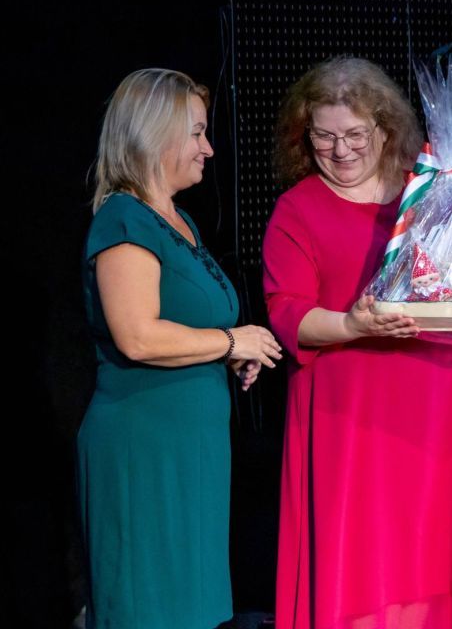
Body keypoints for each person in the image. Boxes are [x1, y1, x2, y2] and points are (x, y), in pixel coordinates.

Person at [262, 57, 452, 629]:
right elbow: (287, 315)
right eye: (324, 136)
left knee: (423, 545)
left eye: (355, 134)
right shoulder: (297, 209)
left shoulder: (427, 195)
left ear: (384, 129)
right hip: (348, 410)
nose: (341, 150)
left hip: (426, 398)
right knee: (358, 554)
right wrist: (352, 326)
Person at [77, 68, 282, 629]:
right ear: (154, 134)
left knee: (192, 607)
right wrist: (230, 340)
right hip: (145, 448)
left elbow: (184, 321)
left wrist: (222, 352)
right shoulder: (124, 218)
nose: (208, 148)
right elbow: (138, 335)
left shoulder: (179, 220)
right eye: (195, 133)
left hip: (194, 451)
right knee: (150, 607)